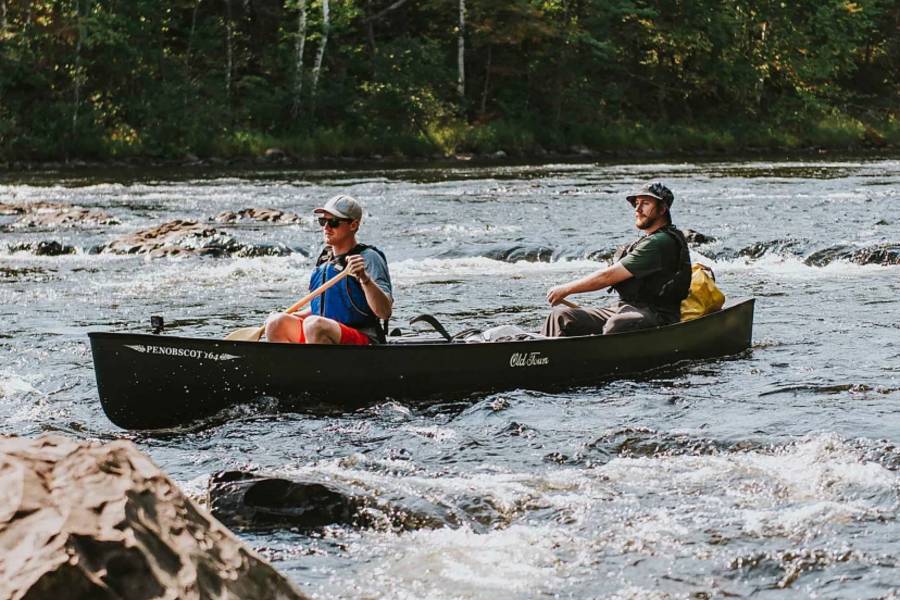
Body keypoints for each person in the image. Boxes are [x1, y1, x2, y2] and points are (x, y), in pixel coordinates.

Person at [542, 181, 691, 337]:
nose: (638, 209)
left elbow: (608, 277)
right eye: (636, 204)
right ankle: (544, 355)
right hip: (624, 307)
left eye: (645, 203)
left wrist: (566, 289)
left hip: (658, 316)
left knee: (617, 324)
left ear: (662, 209)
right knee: (560, 316)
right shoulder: (648, 240)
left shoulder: (660, 242)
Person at [265, 194, 393, 344]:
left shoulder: (369, 258)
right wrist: (291, 316)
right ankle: (293, 365)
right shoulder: (325, 260)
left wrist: (365, 279)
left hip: (365, 339)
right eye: (323, 221)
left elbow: (384, 312)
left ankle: (317, 366)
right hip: (323, 332)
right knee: (276, 323)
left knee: (314, 325)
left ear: (353, 225)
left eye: (333, 222)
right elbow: (323, 308)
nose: (326, 227)